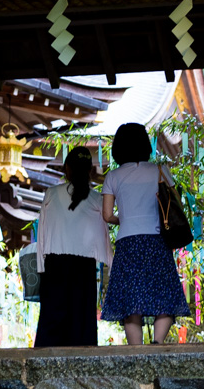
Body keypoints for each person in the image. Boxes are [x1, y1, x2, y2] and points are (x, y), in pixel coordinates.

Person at [100, 121, 189, 345]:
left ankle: (136, 351)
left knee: (131, 301)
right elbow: (172, 203)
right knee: (165, 294)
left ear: (118, 148)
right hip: (157, 240)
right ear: (145, 145)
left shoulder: (113, 176)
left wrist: (127, 218)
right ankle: (158, 343)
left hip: (128, 244)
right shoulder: (160, 170)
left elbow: (107, 215)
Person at [34, 146, 112, 348]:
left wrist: (41, 266)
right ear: (88, 170)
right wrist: (109, 262)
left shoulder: (51, 194)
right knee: (81, 321)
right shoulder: (96, 199)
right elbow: (103, 235)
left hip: (55, 264)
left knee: (52, 320)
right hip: (83, 265)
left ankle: (45, 368)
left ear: (67, 168)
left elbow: (41, 233)